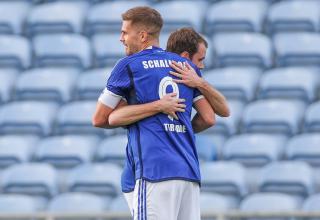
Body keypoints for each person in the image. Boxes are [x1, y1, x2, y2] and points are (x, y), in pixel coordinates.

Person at [92, 6, 226, 220]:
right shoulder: (184, 66)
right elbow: (210, 117)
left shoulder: (128, 66)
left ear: (142, 35)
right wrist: (177, 128)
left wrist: (152, 110)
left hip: (154, 171)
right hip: (188, 172)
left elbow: (99, 119)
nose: (121, 38)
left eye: (125, 32)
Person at [117, 27, 230, 214]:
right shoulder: (185, 77)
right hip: (176, 169)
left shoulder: (146, 71)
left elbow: (111, 116)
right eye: (200, 60)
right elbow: (211, 117)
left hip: (148, 169)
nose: (200, 66)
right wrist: (182, 128)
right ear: (185, 56)